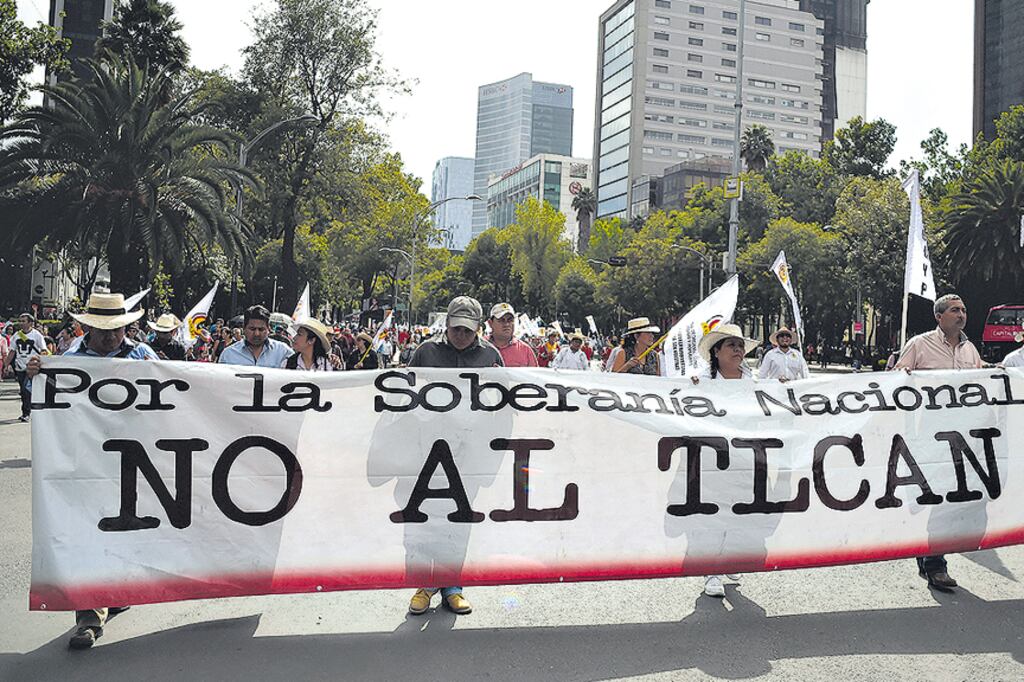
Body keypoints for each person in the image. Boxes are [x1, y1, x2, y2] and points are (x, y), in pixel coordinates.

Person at [25, 292, 159, 649]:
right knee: (88, 533)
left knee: (122, 531)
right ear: (87, 327)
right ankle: (88, 617)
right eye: (103, 330)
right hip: (87, 464)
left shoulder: (144, 357)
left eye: (116, 329)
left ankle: (114, 591)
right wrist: (36, 375)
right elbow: (42, 399)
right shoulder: (69, 360)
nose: (110, 337)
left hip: (133, 461)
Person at [407, 295, 503, 617]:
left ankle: (453, 586)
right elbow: (404, 398)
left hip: (469, 455)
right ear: (446, 324)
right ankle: (424, 585)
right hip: (428, 452)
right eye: (456, 329)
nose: (461, 336)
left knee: (459, 521)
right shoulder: (425, 352)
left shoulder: (491, 356)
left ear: (478, 329)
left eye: (468, 330)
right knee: (425, 520)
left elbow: (500, 406)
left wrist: (495, 454)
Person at [894, 293, 982, 591]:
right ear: (939, 316)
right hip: (927, 437)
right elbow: (895, 383)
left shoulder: (970, 350)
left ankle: (929, 557)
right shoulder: (919, 344)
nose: (962, 314)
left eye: (964, 309)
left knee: (948, 498)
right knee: (936, 499)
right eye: (955, 310)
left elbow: (982, 388)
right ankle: (935, 564)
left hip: (961, 439)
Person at [691, 323, 758, 596]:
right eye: (732, 345)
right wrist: (689, 390)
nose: (738, 350)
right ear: (716, 352)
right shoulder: (701, 382)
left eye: (740, 346)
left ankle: (728, 559)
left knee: (738, 512)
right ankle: (711, 572)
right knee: (714, 515)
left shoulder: (754, 380)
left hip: (745, 456)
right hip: (712, 459)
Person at [5, 313, 47, 422]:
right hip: (20, 367)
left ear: (30, 323)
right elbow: (12, 352)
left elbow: (44, 350)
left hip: (32, 368)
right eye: (20, 320)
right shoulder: (17, 335)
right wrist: (6, 365)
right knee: (23, 391)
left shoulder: (37, 335)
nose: (21, 323)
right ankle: (26, 412)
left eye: (24, 321)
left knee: (26, 389)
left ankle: (27, 412)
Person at [218, 306, 292, 367]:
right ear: (244, 328)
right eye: (252, 329)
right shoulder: (228, 354)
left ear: (268, 329)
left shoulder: (283, 352)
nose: (257, 333)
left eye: (261, 329)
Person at [486, 302, 538, 368]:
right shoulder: (480, 346)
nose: (507, 324)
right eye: (501, 320)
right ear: (490, 323)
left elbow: (534, 377)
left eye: (510, 320)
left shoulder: (526, 350)